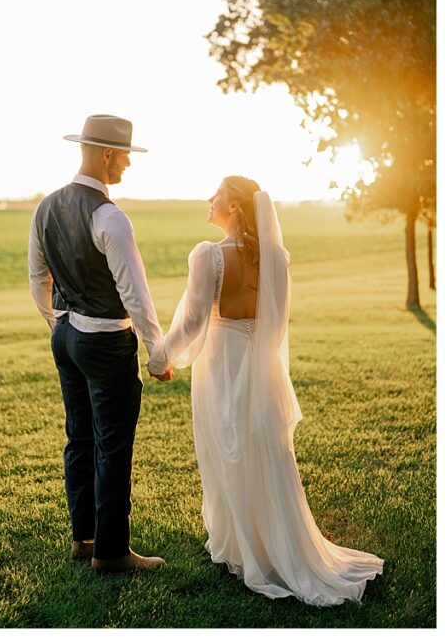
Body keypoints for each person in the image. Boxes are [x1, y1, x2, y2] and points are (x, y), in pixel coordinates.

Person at [159, 175, 384, 605]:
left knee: (227, 448)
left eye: (217, 194)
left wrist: (160, 358)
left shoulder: (208, 255)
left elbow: (191, 322)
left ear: (236, 206)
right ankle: (265, 542)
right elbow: (277, 324)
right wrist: (262, 362)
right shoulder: (277, 258)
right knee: (262, 449)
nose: (210, 199)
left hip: (221, 360)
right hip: (260, 362)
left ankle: (242, 547)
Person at [28, 114, 172, 574]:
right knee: (113, 446)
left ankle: (82, 537)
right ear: (107, 153)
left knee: (79, 437)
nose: (128, 163)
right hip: (106, 341)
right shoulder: (110, 217)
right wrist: (157, 351)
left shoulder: (44, 207)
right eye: (126, 154)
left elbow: (37, 277)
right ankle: (110, 552)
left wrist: (57, 322)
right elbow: (135, 294)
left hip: (65, 337)